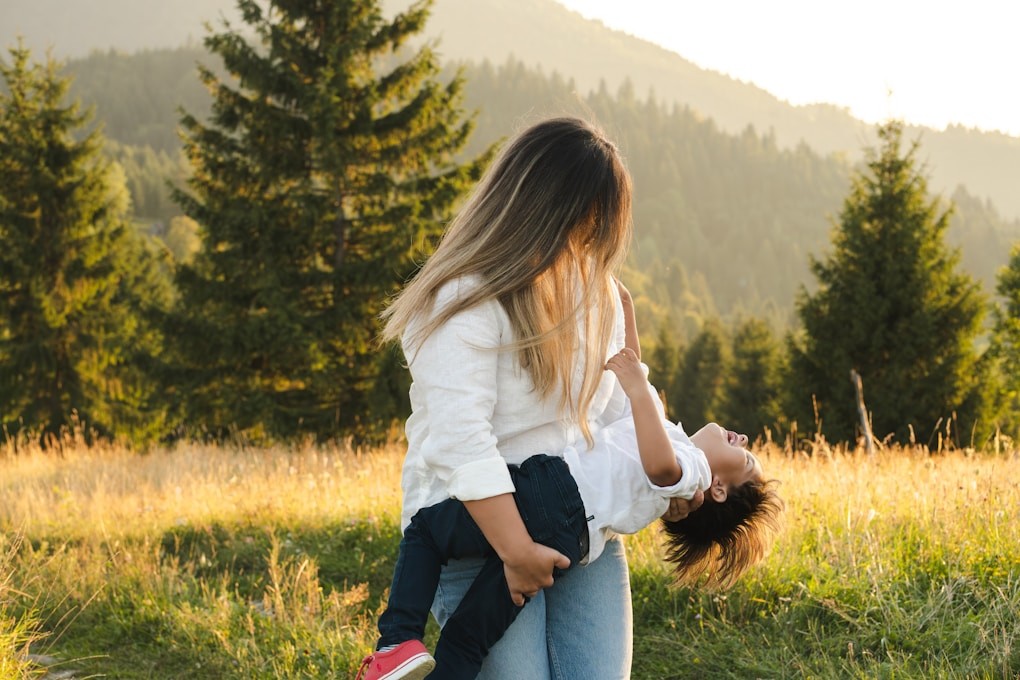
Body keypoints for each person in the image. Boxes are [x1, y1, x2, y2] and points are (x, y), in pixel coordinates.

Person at [359, 280, 783, 680]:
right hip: (567, 539)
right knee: (473, 633)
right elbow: (634, 379)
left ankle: (395, 641)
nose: (742, 437)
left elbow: (660, 465)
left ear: (719, 489)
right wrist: (626, 309)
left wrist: (637, 390)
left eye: (744, 456)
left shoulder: (690, 469)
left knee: (427, 530)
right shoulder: (669, 433)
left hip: (551, 497)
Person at [374, 117, 665, 680]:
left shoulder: (596, 290)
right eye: (582, 228)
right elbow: (461, 443)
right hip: (479, 531)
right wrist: (518, 551)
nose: (587, 249)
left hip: (574, 520)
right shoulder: (460, 300)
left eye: (597, 232)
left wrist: (675, 472)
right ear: (538, 213)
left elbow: (613, 414)